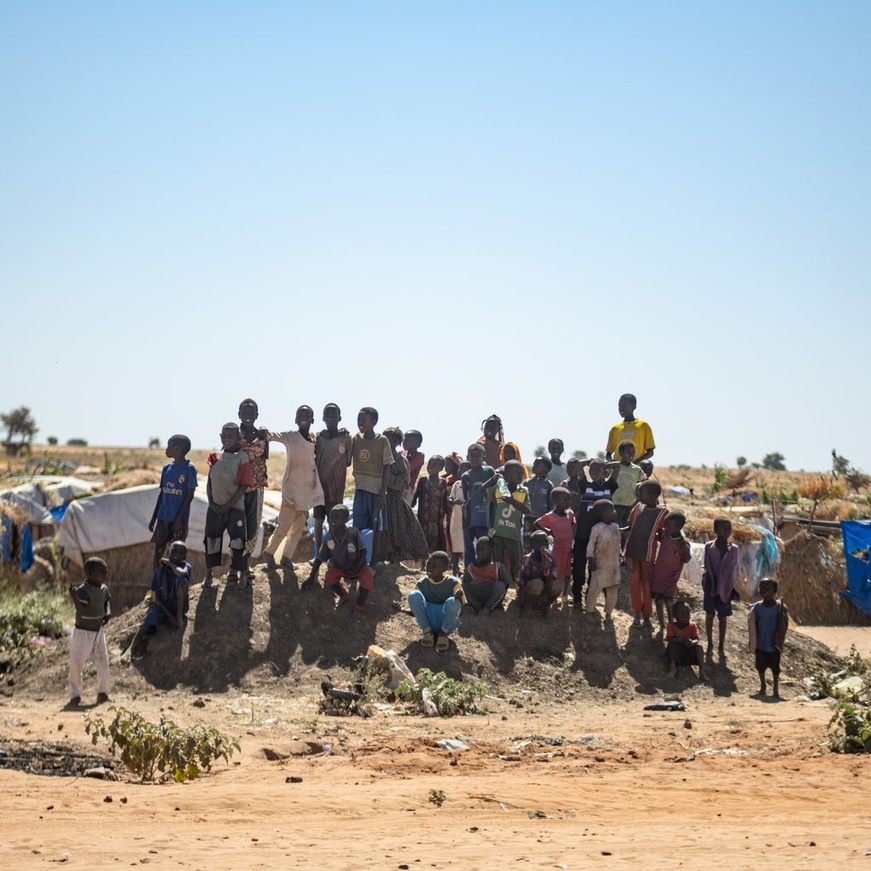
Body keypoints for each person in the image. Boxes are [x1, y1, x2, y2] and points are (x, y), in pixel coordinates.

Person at [263, 406, 324, 573]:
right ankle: (269, 553)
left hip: (305, 492)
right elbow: (272, 436)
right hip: (291, 489)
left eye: (307, 415)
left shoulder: (314, 438)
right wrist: (264, 432)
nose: (304, 418)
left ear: (312, 420)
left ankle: (286, 557)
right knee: (283, 525)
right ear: (296, 420)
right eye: (300, 415)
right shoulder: (291, 436)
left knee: (297, 528)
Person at [204, 422, 254, 587]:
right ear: (220, 437)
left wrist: (228, 506)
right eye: (224, 436)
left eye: (231, 436)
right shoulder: (213, 456)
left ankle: (241, 576)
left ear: (238, 438)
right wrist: (211, 502)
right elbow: (209, 482)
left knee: (238, 542)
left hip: (235, 508)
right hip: (215, 508)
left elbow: (243, 486)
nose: (227, 439)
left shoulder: (242, 457)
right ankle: (209, 576)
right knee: (211, 540)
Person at [304, 504, 375, 614]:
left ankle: (359, 607)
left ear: (346, 519)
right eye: (332, 516)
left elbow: (363, 551)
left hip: (358, 568)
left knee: (367, 579)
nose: (333, 520)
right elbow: (320, 558)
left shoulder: (353, 532)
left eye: (338, 517)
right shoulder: (329, 538)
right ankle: (343, 595)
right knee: (329, 576)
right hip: (342, 569)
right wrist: (311, 576)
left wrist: (356, 568)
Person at [127, 540, 190, 659]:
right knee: (147, 620)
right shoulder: (159, 572)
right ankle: (131, 648)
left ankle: (179, 617)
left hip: (178, 607)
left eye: (181, 552)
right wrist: (170, 617)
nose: (177, 553)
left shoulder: (185, 566)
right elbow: (158, 599)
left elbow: (181, 574)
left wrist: (169, 562)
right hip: (162, 606)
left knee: (182, 582)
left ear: (185, 557)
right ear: (168, 552)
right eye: (174, 550)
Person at [571, 458, 619, 605]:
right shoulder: (585, 485)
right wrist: (591, 461)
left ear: (605, 472)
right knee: (579, 567)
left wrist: (604, 464)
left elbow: (617, 466)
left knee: (595, 569)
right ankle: (577, 597)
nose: (593, 472)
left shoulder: (609, 486)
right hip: (583, 534)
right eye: (591, 470)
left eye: (598, 470)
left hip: (600, 537)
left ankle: (589, 598)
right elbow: (579, 465)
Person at [381, 427, 430, 564]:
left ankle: (398, 558)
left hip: (400, 494)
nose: (406, 441)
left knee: (399, 524)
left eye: (410, 439)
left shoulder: (403, 459)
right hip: (380, 496)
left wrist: (385, 477)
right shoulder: (383, 456)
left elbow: (404, 478)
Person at [148, 434, 197, 569]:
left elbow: (190, 495)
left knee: (176, 552)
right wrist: (154, 518)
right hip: (163, 518)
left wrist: (179, 519)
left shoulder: (189, 469)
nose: (166, 449)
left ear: (177, 449)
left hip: (178, 520)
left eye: (168, 446)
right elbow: (162, 493)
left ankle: (174, 582)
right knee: (158, 551)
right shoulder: (166, 469)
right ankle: (156, 581)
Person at [350, 407, 393, 559]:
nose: (360, 422)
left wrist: (383, 494)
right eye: (358, 419)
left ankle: (375, 560)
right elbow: (347, 460)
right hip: (360, 490)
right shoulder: (356, 439)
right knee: (358, 527)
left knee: (377, 529)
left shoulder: (382, 441)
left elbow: (387, 467)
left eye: (364, 420)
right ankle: (357, 559)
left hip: (376, 492)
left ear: (374, 421)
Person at [68, 556, 111, 706]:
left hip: (98, 632)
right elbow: (82, 610)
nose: (105, 576)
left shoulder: (103, 589)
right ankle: (75, 695)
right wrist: (75, 599)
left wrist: (107, 614)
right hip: (82, 634)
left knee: (103, 661)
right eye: (102, 573)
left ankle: (103, 692)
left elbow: (106, 601)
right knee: (76, 663)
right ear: (91, 574)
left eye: (106, 572)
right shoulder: (83, 591)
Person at [624, 480, 668, 627]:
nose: (638, 496)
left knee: (647, 586)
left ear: (652, 495)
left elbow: (664, 534)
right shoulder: (638, 508)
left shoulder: (662, 513)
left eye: (640, 493)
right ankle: (637, 614)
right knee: (634, 585)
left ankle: (647, 616)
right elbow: (630, 526)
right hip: (633, 553)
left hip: (648, 556)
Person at [313, 403, 353, 552]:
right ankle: (318, 553)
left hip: (336, 488)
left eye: (334, 414)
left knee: (334, 521)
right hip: (319, 486)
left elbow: (347, 462)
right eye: (327, 414)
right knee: (318, 520)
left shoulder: (346, 438)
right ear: (323, 418)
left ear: (339, 418)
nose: (330, 417)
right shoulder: (319, 438)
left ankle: (332, 554)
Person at [408, 551, 464, 652]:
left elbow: (461, 612)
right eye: (428, 564)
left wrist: (459, 599)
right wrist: (403, 609)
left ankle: (443, 634)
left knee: (453, 601)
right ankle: (428, 632)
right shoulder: (421, 583)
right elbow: (416, 610)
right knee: (413, 595)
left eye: (434, 566)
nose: (429, 568)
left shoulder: (454, 583)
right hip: (428, 622)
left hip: (446, 623)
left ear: (444, 569)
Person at [238, 399, 269, 576]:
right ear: (239, 414)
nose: (248, 415)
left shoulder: (263, 436)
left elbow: (264, 459)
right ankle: (236, 566)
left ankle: (246, 564)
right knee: (237, 525)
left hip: (256, 486)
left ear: (257, 415)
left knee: (253, 525)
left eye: (251, 413)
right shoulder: (234, 434)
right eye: (245, 412)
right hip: (238, 487)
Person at [703, 517, 740, 658]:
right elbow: (707, 565)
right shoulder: (708, 546)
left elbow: (733, 569)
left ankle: (721, 646)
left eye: (728, 529)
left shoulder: (734, 549)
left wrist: (730, 585)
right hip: (710, 584)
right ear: (715, 530)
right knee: (709, 614)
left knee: (723, 617)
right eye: (723, 528)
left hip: (725, 586)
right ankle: (710, 643)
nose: (726, 531)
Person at [489, 459, 530, 584]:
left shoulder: (523, 491)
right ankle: (499, 588)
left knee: (516, 565)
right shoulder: (498, 488)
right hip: (498, 532)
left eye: (521, 473)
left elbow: (527, 510)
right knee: (497, 563)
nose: (520, 475)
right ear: (506, 475)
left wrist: (512, 501)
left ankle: (518, 591)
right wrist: (492, 480)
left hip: (514, 534)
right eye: (516, 472)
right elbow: (480, 493)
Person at [748, 577, 789, 698]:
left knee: (775, 668)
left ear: (774, 590)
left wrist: (780, 641)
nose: (764, 589)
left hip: (774, 644)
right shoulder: (756, 608)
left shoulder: (779, 608)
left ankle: (776, 688)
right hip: (761, 643)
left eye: (767, 587)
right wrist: (752, 642)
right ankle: (763, 686)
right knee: (760, 666)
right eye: (761, 586)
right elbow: (752, 627)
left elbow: (783, 625)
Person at [535, 487, 576, 606]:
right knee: (555, 573)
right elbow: (537, 523)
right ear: (555, 501)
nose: (568, 502)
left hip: (568, 549)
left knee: (568, 573)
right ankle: (554, 595)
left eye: (569, 500)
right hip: (557, 549)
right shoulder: (550, 516)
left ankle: (565, 595)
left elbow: (573, 525)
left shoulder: (570, 513)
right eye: (565, 500)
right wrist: (548, 532)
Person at [652, 511, 691, 632]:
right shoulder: (663, 534)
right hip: (659, 575)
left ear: (678, 527)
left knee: (669, 601)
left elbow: (687, 559)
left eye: (669, 526)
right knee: (658, 600)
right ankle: (661, 625)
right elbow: (654, 534)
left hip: (671, 577)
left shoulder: (683, 543)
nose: (665, 528)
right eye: (665, 525)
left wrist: (687, 551)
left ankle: (670, 624)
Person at [585, 500, 621, 621]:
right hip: (600, 564)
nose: (614, 512)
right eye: (612, 510)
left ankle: (608, 614)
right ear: (603, 513)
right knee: (595, 589)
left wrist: (621, 556)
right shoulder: (597, 528)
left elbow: (618, 543)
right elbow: (590, 545)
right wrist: (590, 559)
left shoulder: (615, 527)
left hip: (614, 565)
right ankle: (589, 611)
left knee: (613, 592)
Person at [461, 443, 495, 567]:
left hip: (483, 515)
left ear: (483, 457)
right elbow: (466, 497)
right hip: (468, 515)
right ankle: (468, 570)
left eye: (478, 456)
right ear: (467, 457)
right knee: (468, 545)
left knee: (483, 544)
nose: (475, 458)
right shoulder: (465, 476)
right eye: (472, 455)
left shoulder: (489, 471)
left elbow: (494, 490)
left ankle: (484, 568)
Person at [462, 536, 510, 616]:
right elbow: (465, 585)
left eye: (482, 549)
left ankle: (487, 608)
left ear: (491, 550)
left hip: (491, 595)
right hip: (476, 594)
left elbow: (506, 586)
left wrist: (498, 601)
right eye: (477, 549)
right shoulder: (471, 568)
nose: (479, 552)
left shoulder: (498, 567)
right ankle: (477, 608)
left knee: (501, 586)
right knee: (462, 587)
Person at [518, 529, 561, 616]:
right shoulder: (527, 559)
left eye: (545, 542)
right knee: (537, 583)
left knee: (558, 584)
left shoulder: (551, 558)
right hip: (527, 595)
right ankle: (527, 607)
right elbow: (524, 583)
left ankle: (547, 605)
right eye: (539, 542)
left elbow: (550, 582)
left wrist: (547, 569)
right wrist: (540, 569)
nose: (543, 545)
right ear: (532, 545)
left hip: (541, 596)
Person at [605, 393, 656, 465]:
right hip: (618, 470)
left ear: (634, 406)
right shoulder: (615, 429)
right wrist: (614, 463)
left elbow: (650, 452)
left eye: (625, 405)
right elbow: (608, 454)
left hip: (636, 470)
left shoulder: (643, 426)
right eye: (619, 405)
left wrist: (634, 465)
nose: (621, 408)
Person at [413, 454, 449, 553]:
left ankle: (434, 560)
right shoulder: (423, 481)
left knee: (436, 538)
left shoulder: (443, 483)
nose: (430, 467)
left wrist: (448, 511)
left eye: (434, 465)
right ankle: (423, 563)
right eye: (430, 464)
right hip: (424, 517)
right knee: (423, 537)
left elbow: (445, 499)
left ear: (441, 468)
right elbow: (416, 496)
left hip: (437, 517)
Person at [666, 600, 706, 681]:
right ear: (674, 615)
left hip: (689, 654)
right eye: (681, 613)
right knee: (672, 644)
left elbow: (696, 639)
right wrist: (681, 640)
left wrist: (692, 642)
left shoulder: (692, 625)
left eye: (687, 612)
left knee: (699, 647)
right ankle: (673, 669)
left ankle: (702, 673)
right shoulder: (672, 625)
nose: (685, 615)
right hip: (677, 655)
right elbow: (669, 638)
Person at [611, 441, 646, 530]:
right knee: (616, 528)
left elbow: (645, 482)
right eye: (628, 452)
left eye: (633, 452)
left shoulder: (637, 469)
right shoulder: (614, 467)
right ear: (621, 453)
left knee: (627, 529)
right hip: (615, 504)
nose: (631, 454)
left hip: (630, 505)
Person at [447, 458, 469, 575]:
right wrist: (452, 500)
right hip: (456, 520)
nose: (460, 470)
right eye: (460, 468)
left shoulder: (471, 485)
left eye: (463, 469)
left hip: (467, 521)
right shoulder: (457, 484)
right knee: (455, 546)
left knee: (467, 547)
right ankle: (455, 570)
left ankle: (467, 570)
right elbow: (450, 498)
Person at [524, 457, 555, 536]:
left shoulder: (549, 485)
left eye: (538, 465)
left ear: (546, 469)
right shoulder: (527, 482)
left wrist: (548, 521)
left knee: (540, 540)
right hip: (527, 518)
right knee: (526, 540)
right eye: (534, 464)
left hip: (541, 520)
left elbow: (551, 505)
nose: (534, 466)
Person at [401, 429, 425, 505]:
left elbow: (408, 468)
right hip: (394, 486)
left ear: (418, 444)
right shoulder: (400, 453)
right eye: (404, 439)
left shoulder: (419, 456)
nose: (405, 442)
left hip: (407, 489)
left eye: (408, 440)